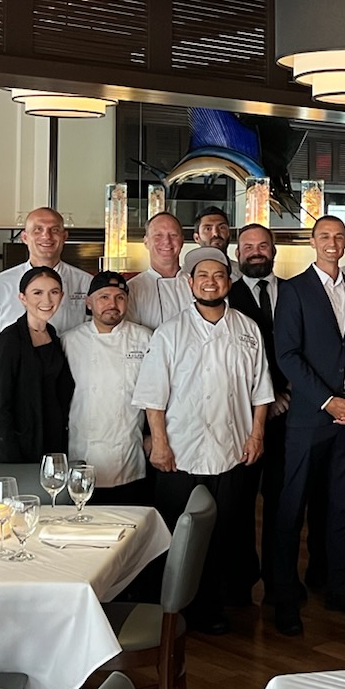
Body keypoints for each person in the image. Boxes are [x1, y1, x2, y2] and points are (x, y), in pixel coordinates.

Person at [131, 247, 273, 635]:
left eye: (219, 275)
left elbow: (261, 391)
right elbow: (153, 397)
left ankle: (214, 606)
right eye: (203, 276)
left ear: (229, 282)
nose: (211, 282)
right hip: (181, 451)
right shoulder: (170, 332)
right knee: (180, 533)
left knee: (225, 531)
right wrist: (159, 443)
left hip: (232, 448)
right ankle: (176, 608)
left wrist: (257, 433)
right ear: (190, 283)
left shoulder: (247, 329)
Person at [271, 215, 345, 636]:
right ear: (313, 243)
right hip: (309, 419)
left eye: (339, 237)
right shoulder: (295, 290)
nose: (332, 243)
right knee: (291, 508)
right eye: (324, 237)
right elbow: (288, 356)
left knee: (343, 507)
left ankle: (339, 589)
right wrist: (328, 400)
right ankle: (284, 598)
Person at [229, 223, 291, 605]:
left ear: (274, 251)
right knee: (238, 506)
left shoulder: (298, 291)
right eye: (248, 246)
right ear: (238, 254)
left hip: (289, 416)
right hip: (238, 417)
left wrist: (287, 396)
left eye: (263, 245)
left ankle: (279, 584)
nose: (256, 251)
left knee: (282, 506)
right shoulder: (225, 293)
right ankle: (238, 584)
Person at [61, 271, 153, 505]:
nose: (112, 304)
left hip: (128, 453)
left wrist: (153, 435)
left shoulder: (146, 338)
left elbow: (157, 392)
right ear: (89, 302)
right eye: (104, 297)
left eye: (120, 297)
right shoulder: (69, 341)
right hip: (82, 452)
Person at [0, 265, 76, 464]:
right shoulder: (10, 340)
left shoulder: (52, 334)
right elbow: (0, 408)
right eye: (37, 293)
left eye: (53, 292)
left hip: (51, 441)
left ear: (61, 296)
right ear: (23, 298)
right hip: (18, 446)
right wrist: (11, 461)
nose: (47, 300)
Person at [0, 207, 92, 345]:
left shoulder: (86, 283)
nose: (47, 236)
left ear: (64, 237)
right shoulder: (0, 285)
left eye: (55, 230)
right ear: (25, 238)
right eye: (38, 229)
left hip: (73, 364)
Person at [127, 212, 190, 329]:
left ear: (182, 241)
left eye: (173, 235)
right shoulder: (132, 289)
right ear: (146, 242)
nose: (166, 241)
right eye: (158, 235)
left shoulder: (196, 284)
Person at [193, 204, 236, 278]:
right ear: (197, 238)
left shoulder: (242, 274)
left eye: (222, 227)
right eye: (208, 229)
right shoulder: (186, 275)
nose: (216, 233)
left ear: (230, 234)